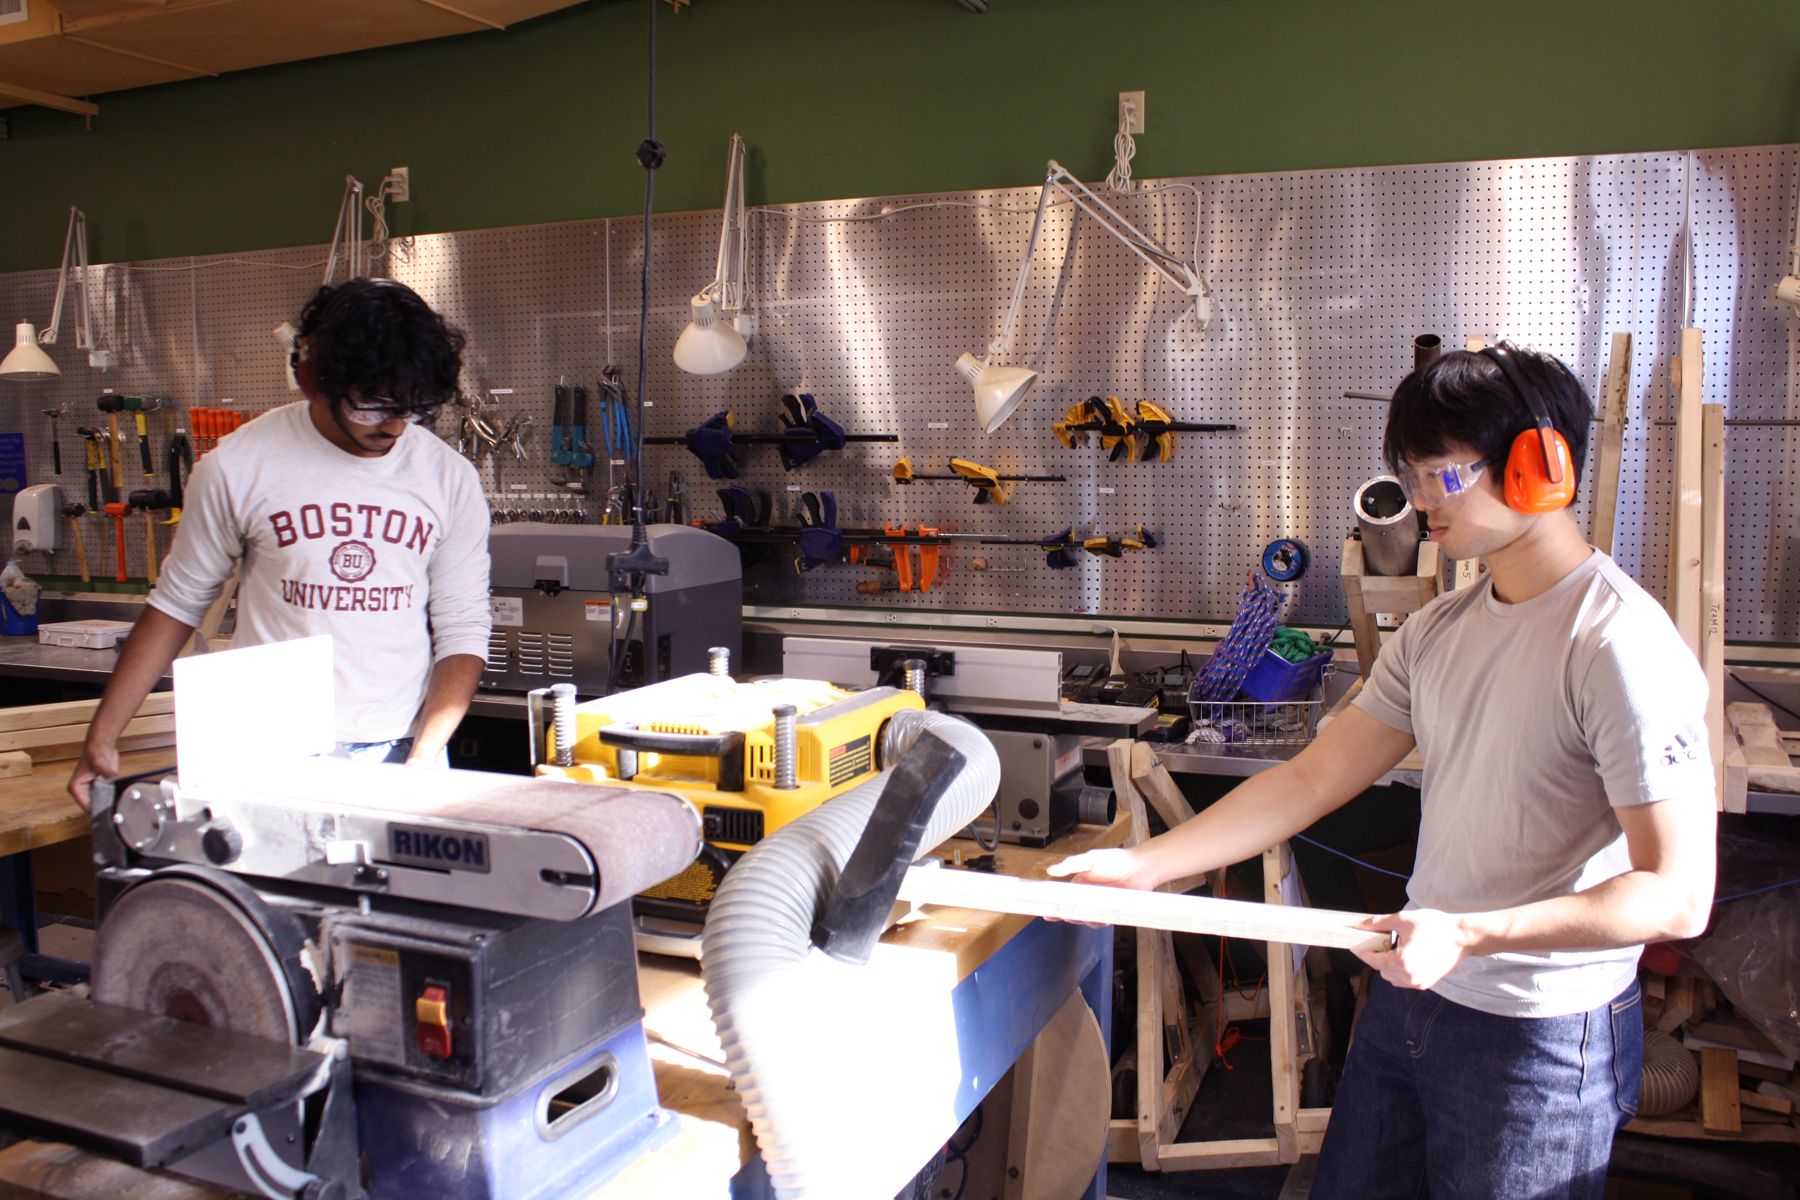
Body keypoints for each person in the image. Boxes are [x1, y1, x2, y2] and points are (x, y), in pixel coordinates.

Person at [1052, 344, 1717, 1199]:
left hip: (1540, 1031)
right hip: (1413, 995)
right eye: (1408, 472)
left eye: (1440, 473)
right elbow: (1310, 780)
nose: (1418, 500)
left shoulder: (1616, 644)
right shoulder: (1440, 632)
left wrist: (1471, 933)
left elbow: (1676, 896)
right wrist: (1145, 866)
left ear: (1539, 467)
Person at [69, 278, 491, 809]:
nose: (393, 426)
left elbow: (463, 627)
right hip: (264, 748)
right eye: (372, 405)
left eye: (411, 408)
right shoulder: (239, 465)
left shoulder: (448, 478)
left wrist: (426, 756)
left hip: (403, 747)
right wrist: (102, 736)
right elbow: (176, 606)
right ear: (319, 381)